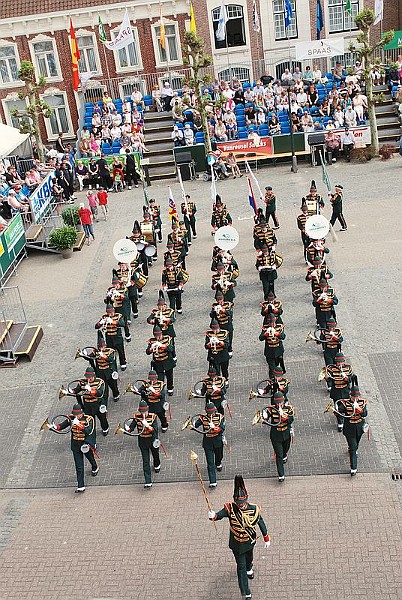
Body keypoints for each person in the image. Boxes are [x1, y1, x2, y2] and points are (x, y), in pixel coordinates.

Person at [208, 475, 271, 600]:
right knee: (240, 567)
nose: (240, 505)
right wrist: (213, 515)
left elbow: (260, 522)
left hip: (249, 541)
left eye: (242, 503)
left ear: (246, 500)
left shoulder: (254, 508)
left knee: (249, 558)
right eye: (238, 503)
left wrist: (266, 537)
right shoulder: (231, 508)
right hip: (237, 544)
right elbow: (220, 515)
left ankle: (249, 568)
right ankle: (245, 592)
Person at [48, 403, 98, 493]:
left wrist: (78, 424)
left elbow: (88, 431)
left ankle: (94, 466)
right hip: (75, 445)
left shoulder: (89, 419)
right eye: (75, 414)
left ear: (82, 413)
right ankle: (81, 486)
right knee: (79, 465)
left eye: (78, 415)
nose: (76, 416)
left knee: (90, 458)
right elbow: (61, 426)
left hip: (85, 443)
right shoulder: (71, 418)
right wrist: (54, 427)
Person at [127, 399, 161, 488]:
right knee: (145, 461)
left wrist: (148, 426)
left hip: (152, 440)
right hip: (143, 441)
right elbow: (132, 426)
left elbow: (155, 431)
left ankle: (157, 464)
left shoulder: (153, 417)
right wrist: (128, 429)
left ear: (148, 410)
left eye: (145, 411)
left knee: (155, 455)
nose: (143, 413)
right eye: (142, 411)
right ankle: (148, 481)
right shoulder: (137, 417)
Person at [69, 366, 109, 436]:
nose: (88, 378)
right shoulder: (82, 382)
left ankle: (105, 428)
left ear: (93, 375)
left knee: (102, 418)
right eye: (87, 377)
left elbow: (100, 393)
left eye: (90, 377)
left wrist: (90, 389)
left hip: (97, 404)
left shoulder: (100, 382)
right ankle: (92, 433)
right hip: (87, 405)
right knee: (89, 421)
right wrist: (71, 391)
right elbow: (77, 390)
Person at [336, 387, 368, 476]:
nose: (355, 398)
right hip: (349, 428)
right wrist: (337, 412)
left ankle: (352, 449)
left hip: (359, 427)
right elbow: (339, 412)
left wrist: (359, 409)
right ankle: (353, 468)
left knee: (356, 444)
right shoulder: (345, 403)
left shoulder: (362, 402)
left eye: (357, 396)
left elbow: (365, 414)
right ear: (351, 396)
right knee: (353, 447)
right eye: (354, 396)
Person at [194, 402, 225, 488]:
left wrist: (215, 428)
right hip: (208, 443)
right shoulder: (203, 418)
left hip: (218, 441)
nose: (210, 415)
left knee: (219, 456)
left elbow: (222, 428)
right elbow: (196, 425)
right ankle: (212, 481)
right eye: (209, 413)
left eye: (211, 413)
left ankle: (218, 463)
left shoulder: (220, 417)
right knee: (210, 463)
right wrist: (192, 424)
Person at [265, 391, 294, 481]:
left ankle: (285, 455)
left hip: (286, 433)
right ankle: (281, 474)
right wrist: (263, 417)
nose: (279, 404)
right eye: (277, 402)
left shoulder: (288, 409)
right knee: (279, 455)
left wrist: (284, 416)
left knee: (286, 449)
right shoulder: (271, 409)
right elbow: (266, 417)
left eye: (280, 402)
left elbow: (291, 420)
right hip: (276, 435)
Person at [146, 324, 176, 396]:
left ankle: (170, 388)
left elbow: (171, 348)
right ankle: (160, 390)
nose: (157, 338)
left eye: (159, 336)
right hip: (158, 362)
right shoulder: (152, 341)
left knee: (169, 376)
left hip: (167, 360)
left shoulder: (167, 338)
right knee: (160, 378)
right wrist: (150, 349)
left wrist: (163, 346)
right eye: (156, 336)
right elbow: (147, 352)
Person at [95, 305, 127, 371]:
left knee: (120, 350)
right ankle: (113, 365)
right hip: (109, 337)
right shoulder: (104, 317)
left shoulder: (118, 316)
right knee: (110, 352)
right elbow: (96, 326)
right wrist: (101, 323)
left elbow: (122, 324)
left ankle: (123, 363)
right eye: (109, 312)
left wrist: (112, 321)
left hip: (117, 336)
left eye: (111, 312)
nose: (110, 313)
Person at [259, 313, 286, 377]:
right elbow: (260, 338)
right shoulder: (265, 328)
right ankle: (272, 381)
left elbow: (283, 337)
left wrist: (278, 334)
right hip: (269, 352)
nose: (271, 324)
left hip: (278, 351)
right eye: (270, 323)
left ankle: (279, 378)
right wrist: (265, 335)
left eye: (272, 323)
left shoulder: (279, 326)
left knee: (278, 367)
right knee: (272, 368)